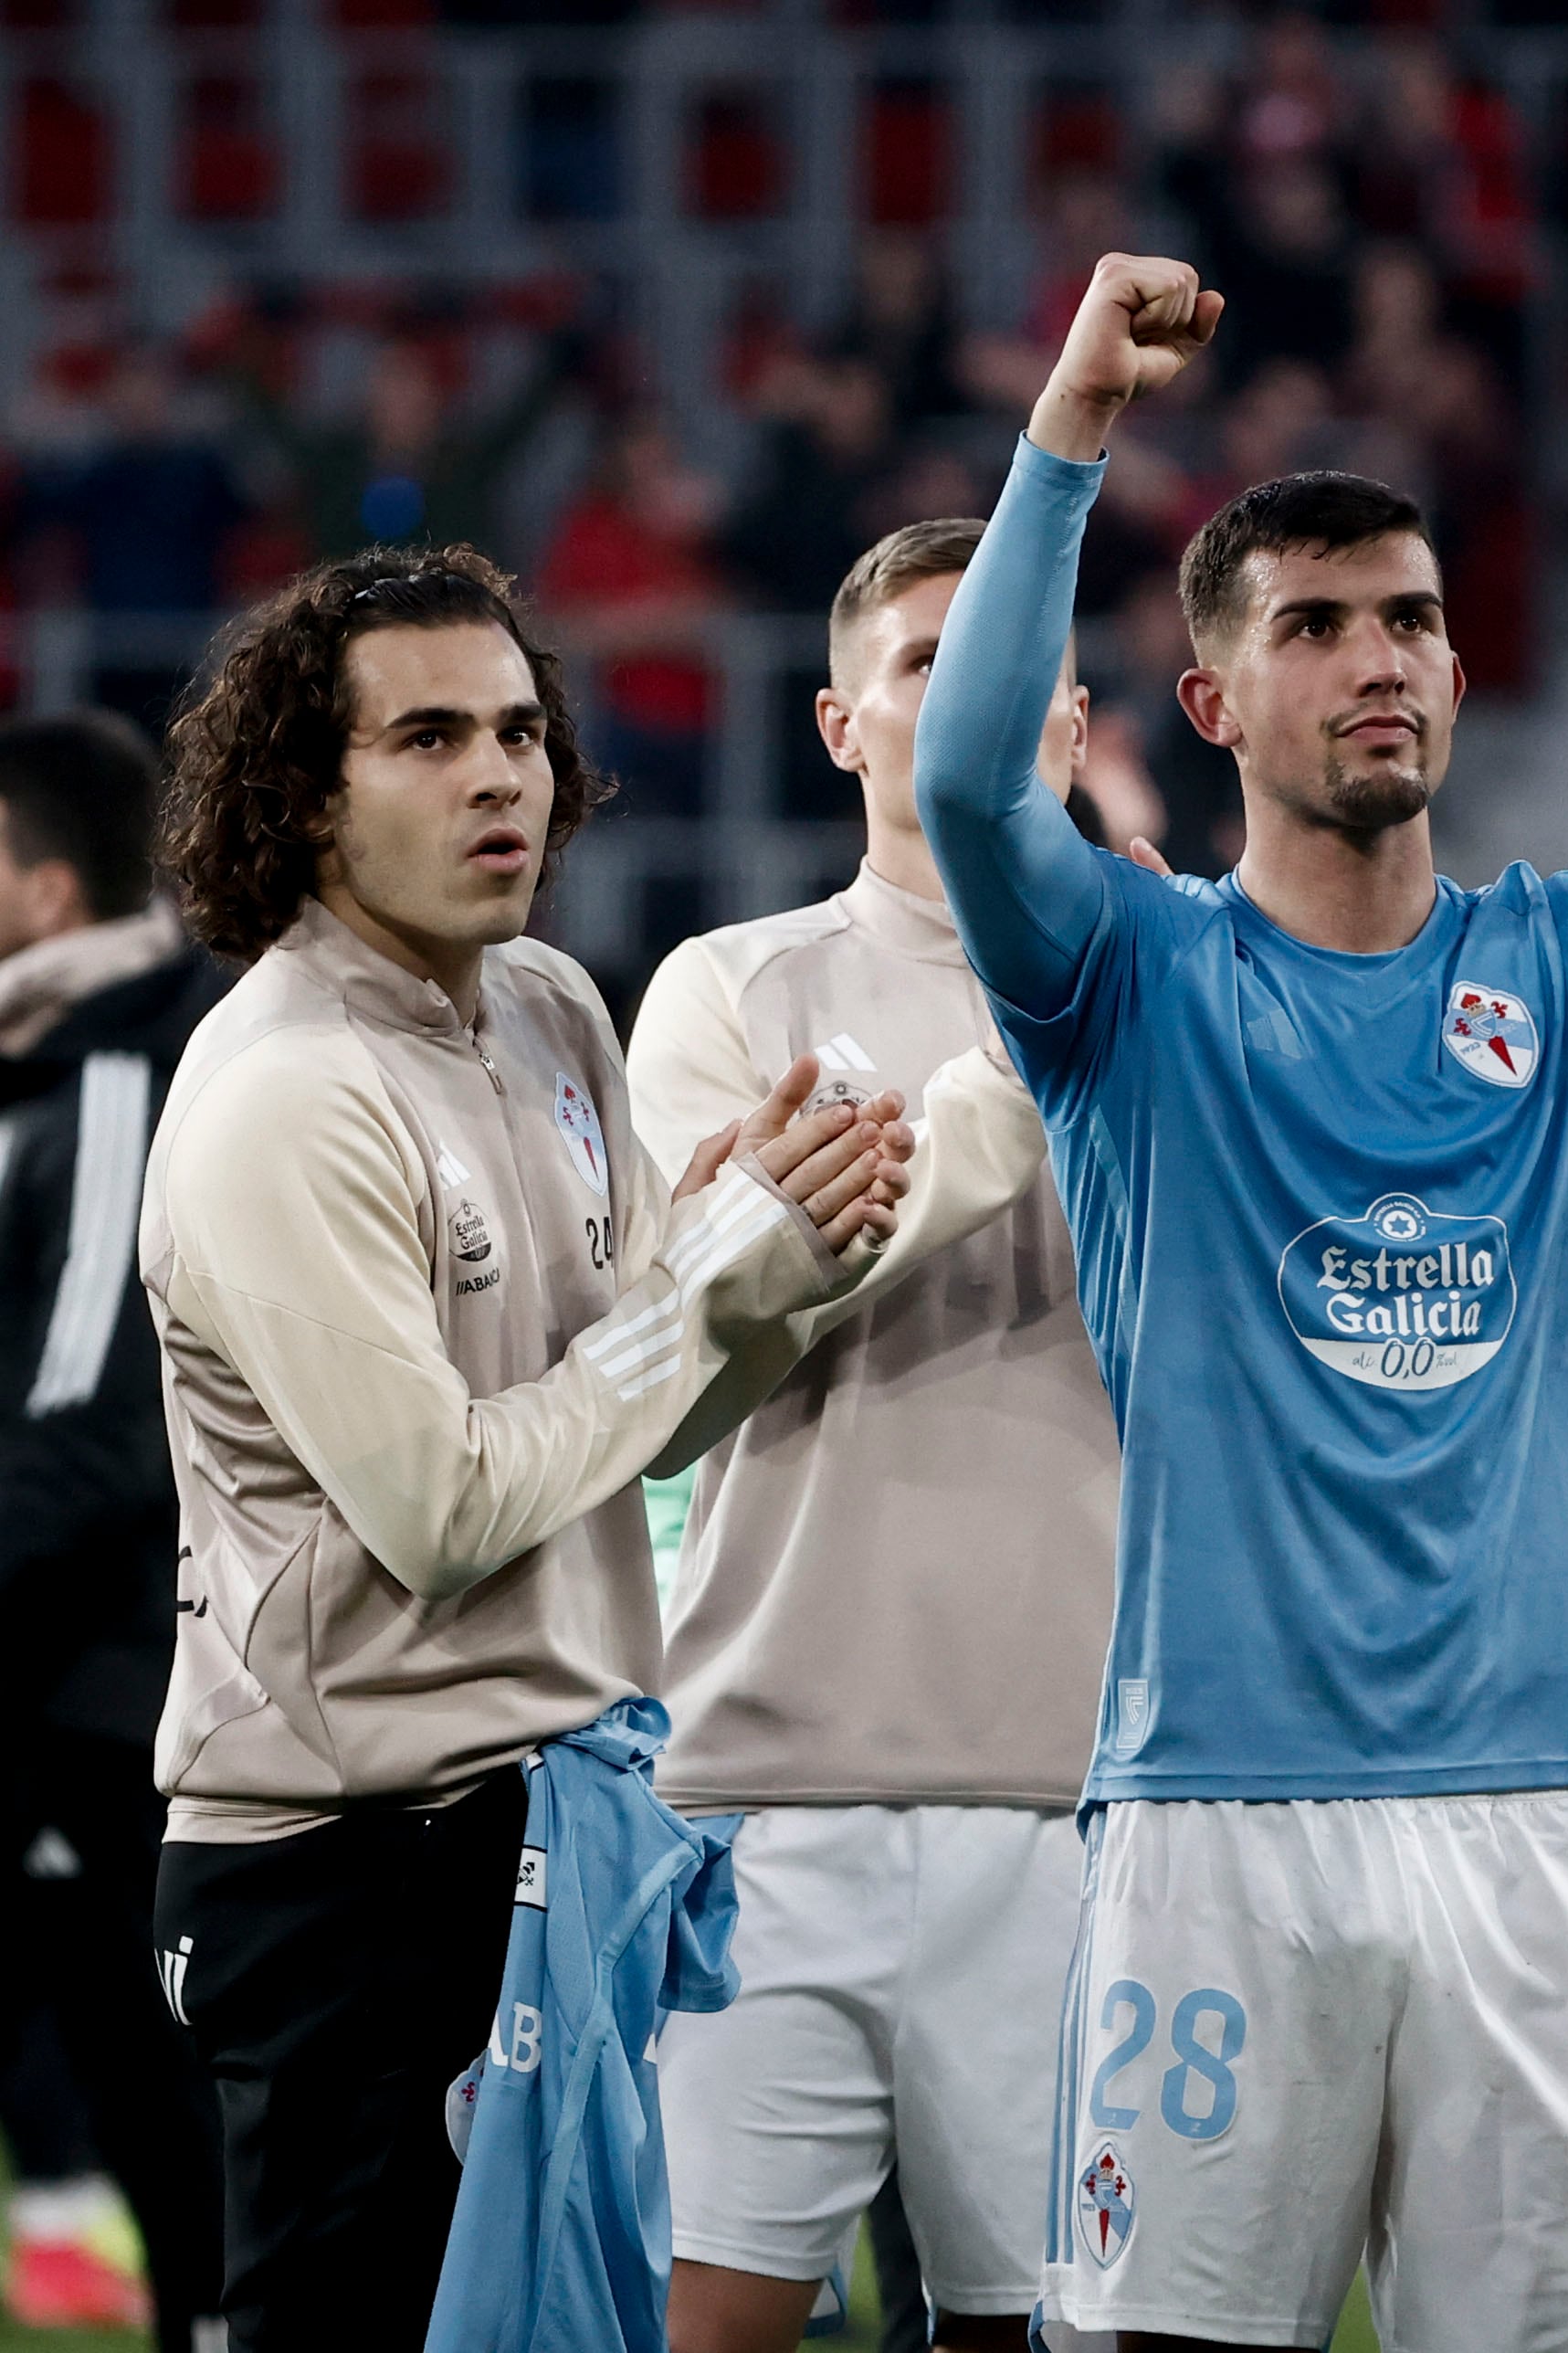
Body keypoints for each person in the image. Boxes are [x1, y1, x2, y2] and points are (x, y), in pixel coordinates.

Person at [910, 248, 1568, 2349]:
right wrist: (1073, 434)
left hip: (1541, 1815)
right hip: (1221, 1812)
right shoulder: (1127, 977)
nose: (1375, 658)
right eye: (1311, 628)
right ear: (1208, 702)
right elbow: (960, 787)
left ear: (1462, 679)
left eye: (1410, 620)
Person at [135, 545, 915, 2349]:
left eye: (516, 729)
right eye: (426, 737)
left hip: (536, 1827)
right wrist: (705, 1284)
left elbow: (642, 1419)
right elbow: (442, 1508)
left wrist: (777, 1275)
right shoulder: (285, 1089)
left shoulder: (556, 1008)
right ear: (306, 800)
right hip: (346, 1872)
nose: (499, 774)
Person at [629, 516, 1121, 2353]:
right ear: (842, 723)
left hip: (1074, 1792)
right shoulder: (727, 994)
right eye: (924, 659)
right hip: (766, 1784)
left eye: (1007, 664)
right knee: (710, 2324)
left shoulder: (1180, 980)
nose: (970, 693)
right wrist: (1017, 1064)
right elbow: (712, 1328)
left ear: (1070, 718)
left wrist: (864, 1175)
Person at [0, 711, 227, 2353]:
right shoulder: (48, 1071)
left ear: (48, 888)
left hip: (97, 1697)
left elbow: (90, 1430)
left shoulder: (123, 1072)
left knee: (164, 2108)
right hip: (62, 1676)